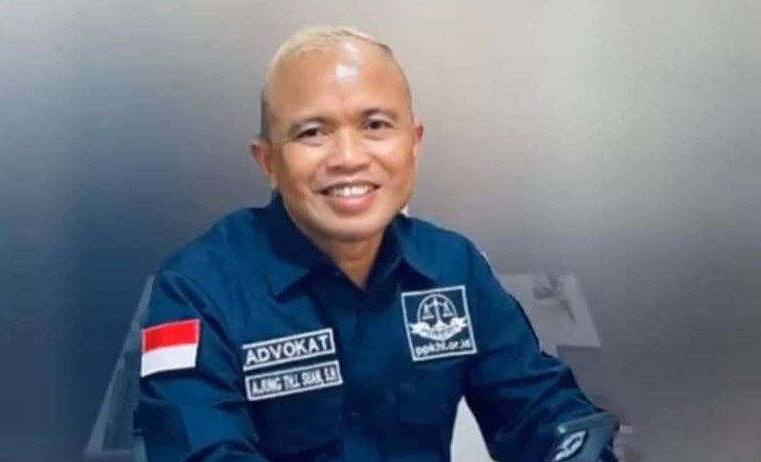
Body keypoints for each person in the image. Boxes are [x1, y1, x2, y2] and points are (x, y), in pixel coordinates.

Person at [134, 26, 617, 462]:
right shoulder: (196, 290)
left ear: (414, 143)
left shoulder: (455, 267)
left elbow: (544, 415)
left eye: (376, 126)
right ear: (269, 162)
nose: (348, 157)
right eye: (312, 132)